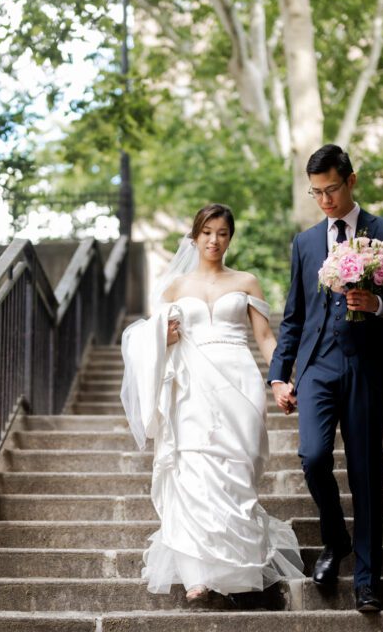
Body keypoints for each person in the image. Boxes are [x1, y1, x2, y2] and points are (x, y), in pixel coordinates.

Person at [120, 203, 304, 606]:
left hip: (238, 379)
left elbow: (265, 339)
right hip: (190, 386)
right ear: (195, 235)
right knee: (191, 471)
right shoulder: (173, 288)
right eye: (207, 232)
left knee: (237, 469)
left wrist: (279, 380)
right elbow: (148, 341)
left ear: (230, 237)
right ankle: (197, 575)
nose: (214, 240)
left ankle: (239, 566)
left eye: (222, 233)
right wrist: (162, 341)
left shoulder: (247, 282)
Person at [268, 144, 383, 612]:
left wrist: (376, 305)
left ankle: (367, 580)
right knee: (313, 457)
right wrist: (279, 374)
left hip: (366, 367)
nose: (325, 200)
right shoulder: (306, 243)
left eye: (331, 189)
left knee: (365, 471)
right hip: (317, 367)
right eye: (316, 193)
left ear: (351, 180)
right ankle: (335, 540)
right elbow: (293, 316)